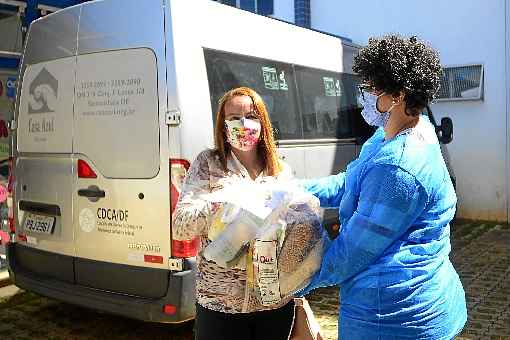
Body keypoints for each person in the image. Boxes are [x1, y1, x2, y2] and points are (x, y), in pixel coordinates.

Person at [300, 35, 467, 339]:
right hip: (407, 303)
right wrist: (292, 189)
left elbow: (351, 253)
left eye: (371, 89)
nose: (363, 95)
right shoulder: (395, 133)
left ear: (398, 95)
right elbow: (348, 182)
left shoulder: (399, 167)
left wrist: (288, 279)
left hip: (393, 317)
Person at [172, 87, 295, 340]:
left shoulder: (280, 170)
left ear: (263, 123)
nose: (243, 123)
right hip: (221, 305)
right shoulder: (208, 163)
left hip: (274, 303)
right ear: (222, 125)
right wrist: (220, 204)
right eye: (233, 117)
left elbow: (295, 229)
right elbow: (180, 226)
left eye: (251, 116)